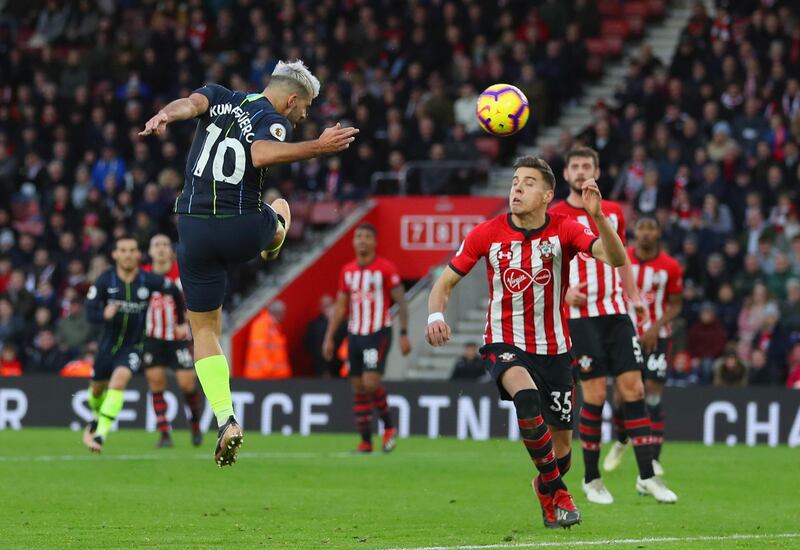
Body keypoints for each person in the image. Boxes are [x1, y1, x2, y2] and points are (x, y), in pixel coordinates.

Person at [139, 59, 358, 466]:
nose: (304, 114)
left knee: (204, 331)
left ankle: (225, 418)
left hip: (193, 229)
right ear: (291, 99)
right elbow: (260, 153)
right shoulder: (274, 119)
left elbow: (188, 104)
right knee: (279, 207)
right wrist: (317, 147)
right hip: (239, 228)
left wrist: (164, 115)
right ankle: (273, 239)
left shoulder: (219, 96)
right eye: (305, 107)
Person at [425, 156, 629, 529]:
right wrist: (435, 315)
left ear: (548, 194)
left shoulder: (566, 230)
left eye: (528, 183)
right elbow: (444, 284)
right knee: (526, 396)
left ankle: (545, 485)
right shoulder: (486, 233)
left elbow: (616, 258)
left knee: (563, 450)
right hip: (505, 341)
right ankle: (560, 492)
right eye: (515, 180)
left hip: (555, 348)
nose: (517, 188)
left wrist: (597, 216)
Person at [549, 146, 677, 504]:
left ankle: (647, 476)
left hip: (616, 309)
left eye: (586, 165)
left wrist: (634, 297)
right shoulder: (555, 214)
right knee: (595, 395)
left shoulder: (614, 211)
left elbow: (622, 259)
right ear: (566, 173)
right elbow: (547, 264)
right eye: (574, 166)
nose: (580, 171)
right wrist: (564, 294)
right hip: (580, 316)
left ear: (597, 171)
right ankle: (591, 479)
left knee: (634, 390)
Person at [83, 235, 184, 453]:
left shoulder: (148, 280)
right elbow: (89, 312)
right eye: (123, 250)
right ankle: (95, 417)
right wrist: (104, 314)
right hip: (106, 347)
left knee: (118, 384)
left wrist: (181, 321)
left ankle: (100, 435)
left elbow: (174, 291)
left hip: (134, 347)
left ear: (139, 255)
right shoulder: (105, 280)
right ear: (115, 254)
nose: (128, 255)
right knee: (96, 393)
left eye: (132, 250)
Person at [604, 216, 684, 477]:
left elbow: (675, 304)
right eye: (642, 228)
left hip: (658, 336)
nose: (647, 233)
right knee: (619, 397)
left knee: (651, 394)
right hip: (623, 334)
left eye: (651, 228)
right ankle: (622, 439)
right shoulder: (620, 257)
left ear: (659, 233)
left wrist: (654, 327)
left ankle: (654, 461)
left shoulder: (670, 266)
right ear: (634, 233)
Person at [322, 224, 411, 454]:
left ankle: (389, 428)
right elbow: (341, 307)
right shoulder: (347, 271)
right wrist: (329, 338)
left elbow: (401, 301)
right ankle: (365, 442)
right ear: (353, 242)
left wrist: (403, 333)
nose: (362, 241)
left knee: (371, 382)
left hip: (377, 332)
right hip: (355, 334)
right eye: (358, 236)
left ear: (374, 242)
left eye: (367, 237)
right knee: (358, 386)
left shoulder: (385, 268)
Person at [142, 234, 204, 449]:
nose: (160, 249)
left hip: (179, 339)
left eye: (165, 245)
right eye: (156, 245)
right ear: (150, 252)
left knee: (187, 384)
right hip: (152, 338)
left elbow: (197, 297)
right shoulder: (144, 276)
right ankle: (164, 433)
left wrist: (190, 316)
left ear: (171, 251)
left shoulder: (182, 273)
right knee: (156, 383)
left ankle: (195, 424)